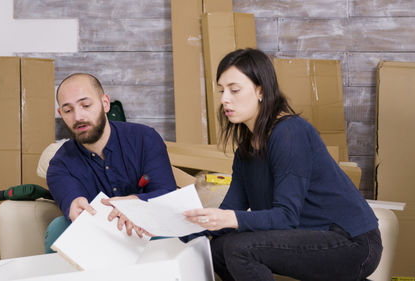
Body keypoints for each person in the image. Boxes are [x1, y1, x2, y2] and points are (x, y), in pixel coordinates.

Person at [182, 49, 382, 281]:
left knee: (240, 249)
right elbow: (228, 212)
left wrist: (230, 219)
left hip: (351, 243)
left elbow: (286, 216)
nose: (225, 99)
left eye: (234, 90)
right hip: (309, 236)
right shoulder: (245, 152)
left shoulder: (289, 133)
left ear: (261, 91)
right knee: (218, 248)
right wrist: (179, 228)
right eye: (221, 91)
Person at [45, 73, 176, 252]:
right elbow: (73, 203)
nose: (78, 117)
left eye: (85, 105)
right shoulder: (59, 165)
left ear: (105, 103)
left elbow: (167, 194)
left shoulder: (145, 138)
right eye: (68, 110)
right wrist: (74, 205)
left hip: (148, 227)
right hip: (98, 238)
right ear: (61, 114)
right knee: (58, 228)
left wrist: (135, 202)